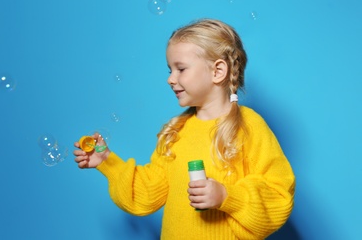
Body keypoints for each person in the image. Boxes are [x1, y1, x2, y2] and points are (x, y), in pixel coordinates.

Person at [73, 19, 295, 239]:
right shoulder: (176, 131)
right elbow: (146, 194)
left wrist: (228, 196)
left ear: (218, 71)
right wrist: (107, 161)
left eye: (181, 69)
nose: (171, 79)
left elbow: (278, 194)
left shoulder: (248, 126)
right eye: (170, 70)